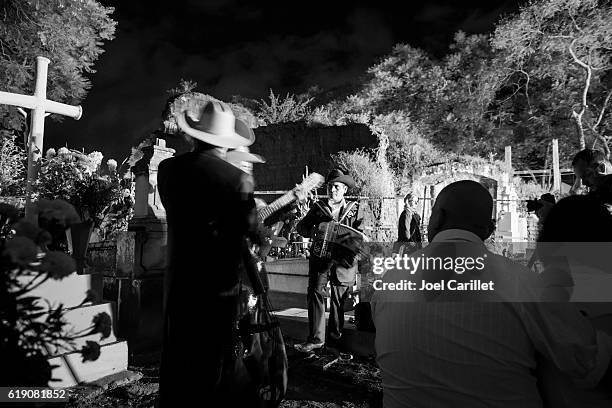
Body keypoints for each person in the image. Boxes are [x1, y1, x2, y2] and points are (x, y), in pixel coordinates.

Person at [372, 180, 612, 408]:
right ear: (488, 230)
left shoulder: (387, 283)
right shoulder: (523, 283)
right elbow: (589, 362)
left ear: (438, 218)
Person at [157, 100, 258, 407]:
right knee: (214, 361)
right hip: (218, 288)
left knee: (177, 355)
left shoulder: (167, 169)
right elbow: (249, 230)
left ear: (196, 135)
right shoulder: (237, 179)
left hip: (178, 281)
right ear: (227, 142)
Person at [294, 168, 363, 352]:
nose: (333, 190)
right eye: (331, 187)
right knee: (315, 293)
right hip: (320, 258)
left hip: (344, 262)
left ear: (345, 190)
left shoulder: (355, 210)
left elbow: (363, 235)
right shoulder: (318, 209)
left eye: (337, 187)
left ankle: (334, 340)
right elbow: (301, 227)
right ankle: (316, 339)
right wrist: (313, 232)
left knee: (338, 300)